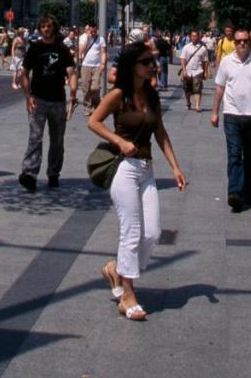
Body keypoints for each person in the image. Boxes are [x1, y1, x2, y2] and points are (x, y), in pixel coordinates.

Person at [89, 42, 187, 321]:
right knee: (131, 232)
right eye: (146, 61)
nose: (152, 65)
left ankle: (117, 269)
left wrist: (175, 167)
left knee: (153, 232)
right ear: (133, 65)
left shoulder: (152, 96)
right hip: (124, 170)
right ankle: (127, 294)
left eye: (152, 61)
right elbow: (94, 121)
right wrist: (119, 141)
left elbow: (161, 133)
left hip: (146, 169)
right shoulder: (119, 95)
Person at [210, 28, 251, 212]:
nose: (242, 43)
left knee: (249, 155)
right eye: (239, 41)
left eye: (245, 40)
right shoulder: (227, 62)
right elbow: (219, 88)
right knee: (234, 153)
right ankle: (235, 193)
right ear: (234, 43)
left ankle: (248, 191)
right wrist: (214, 112)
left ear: (249, 42)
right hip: (232, 115)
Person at [18, 14, 77, 190]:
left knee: (57, 141)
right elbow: (24, 73)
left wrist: (73, 94)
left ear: (54, 28)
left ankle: (53, 173)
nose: (46, 29)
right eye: (43, 26)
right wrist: (28, 96)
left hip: (58, 100)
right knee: (35, 138)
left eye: (49, 26)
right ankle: (29, 174)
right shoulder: (34, 49)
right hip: (38, 99)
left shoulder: (62, 50)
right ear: (40, 29)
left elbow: (71, 73)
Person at [79, 24, 106, 115]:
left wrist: (103, 63)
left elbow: (103, 52)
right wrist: (87, 39)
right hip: (85, 65)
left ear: (97, 30)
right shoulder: (84, 38)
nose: (93, 33)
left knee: (95, 88)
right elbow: (81, 51)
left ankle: (96, 104)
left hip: (97, 66)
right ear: (88, 30)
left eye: (94, 31)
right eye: (91, 31)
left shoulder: (101, 39)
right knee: (85, 88)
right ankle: (87, 107)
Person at [179, 29, 208, 112]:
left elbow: (205, 61)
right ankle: (188, 103)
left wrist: (205, 72)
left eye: (196, 36)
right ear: (190, 37)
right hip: (187, 71)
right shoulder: (186, 47)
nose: (194, 38)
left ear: (198, 37)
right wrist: (184, 71)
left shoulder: (203, 48)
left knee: (197, 88)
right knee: (187, 88)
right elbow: (182, 59)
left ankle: (197, 105)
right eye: (192, 36)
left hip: (198, 71)